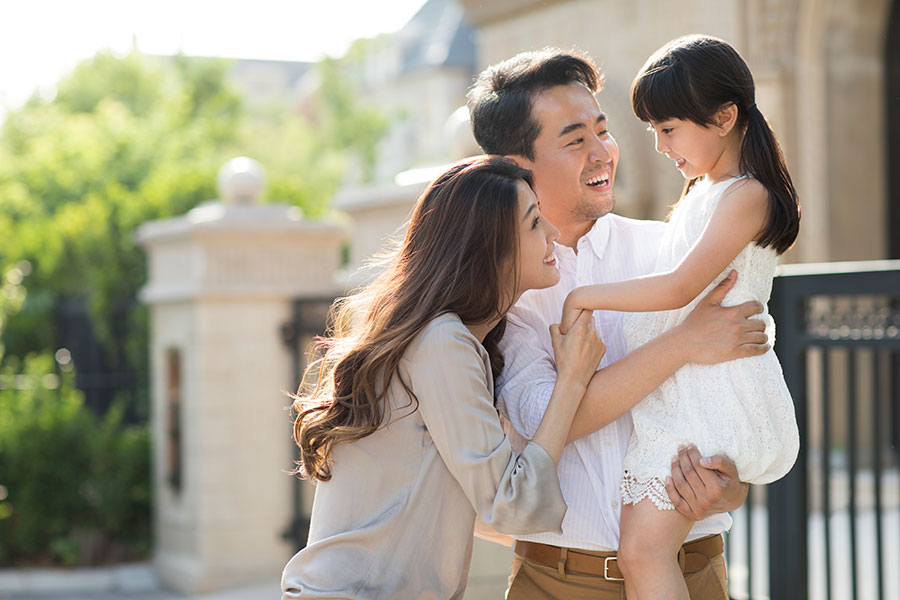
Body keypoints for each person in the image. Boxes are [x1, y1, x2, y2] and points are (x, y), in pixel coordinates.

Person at [467, 49, 772, 598]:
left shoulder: (673, 252)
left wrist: (729, 486)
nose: (603, 152)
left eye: (602, 131)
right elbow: (543, 421)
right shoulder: (500, 291)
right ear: (518, 164)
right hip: (555, 581)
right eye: (574, 139)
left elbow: (731, 389)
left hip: (690, 571)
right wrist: (683, 344)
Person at [280, 156, 607, 599]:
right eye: (534, 223)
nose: (552, 232)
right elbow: (509, 506)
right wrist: (571, 381)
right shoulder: (442, 343)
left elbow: (474, 510)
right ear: (488, 248)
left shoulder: (445, 339)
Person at [558, 35, 801, 600]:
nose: (662, 146)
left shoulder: (747, 195)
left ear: (723, 117)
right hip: (682, 389)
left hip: (707, 395)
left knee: (643, 552)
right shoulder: (706, 192)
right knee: (643, 550)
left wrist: (584, 296)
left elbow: (680, 287)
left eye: (669, 129)